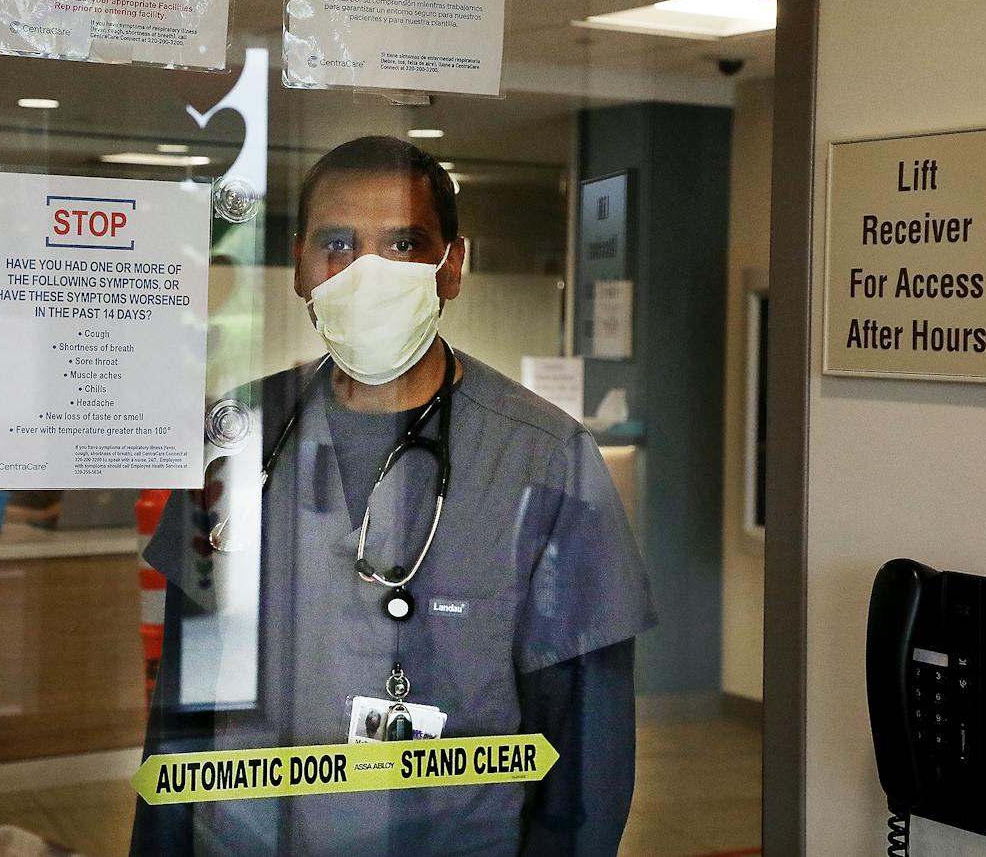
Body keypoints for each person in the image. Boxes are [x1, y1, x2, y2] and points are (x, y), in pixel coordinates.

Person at [132, 135, 657, 856]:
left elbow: (587, 771)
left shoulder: (544, 460)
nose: (366, 273)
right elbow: (178, 723)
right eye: (339, 244)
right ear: (299, 265)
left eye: (403, 244)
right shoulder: (238, 436)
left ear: (453, 268)